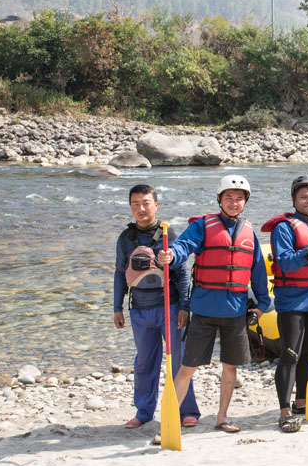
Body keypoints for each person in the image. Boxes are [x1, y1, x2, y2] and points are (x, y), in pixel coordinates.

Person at [157, 174, 270, 434]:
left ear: (245, 202)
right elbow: (184, 246)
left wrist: (263, 304)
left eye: (239, 199)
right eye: (228, 198)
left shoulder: (248, 233)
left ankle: (222, 417)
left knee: (230, 367)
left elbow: (258, 272)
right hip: (205, 311)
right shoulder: (203, 226)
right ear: (220, 199)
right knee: (187, 368)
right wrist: (171, 255)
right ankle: (170, 422)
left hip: (235, 312)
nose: (234, 202)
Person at [113, 184, 200, 433]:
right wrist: (116, 307)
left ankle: (187, 411)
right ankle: (144, 412)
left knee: (179, 361)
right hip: (139, 310)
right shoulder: (126, 238)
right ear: (130, 207)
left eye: (146, 203)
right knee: (144, 362)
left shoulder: (168, 234)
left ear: (156, 205)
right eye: (135, 204)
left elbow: (182, 273)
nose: (141, 208)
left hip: (170, 307)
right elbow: (120, 273)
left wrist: (184, 306)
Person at [261, 175, 308, 433]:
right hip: (292, 302)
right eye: (303, 196)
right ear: (294, 200)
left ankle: (302, 402)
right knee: (291, 354)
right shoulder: (283, 227)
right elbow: (284, 262)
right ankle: (284, 410)